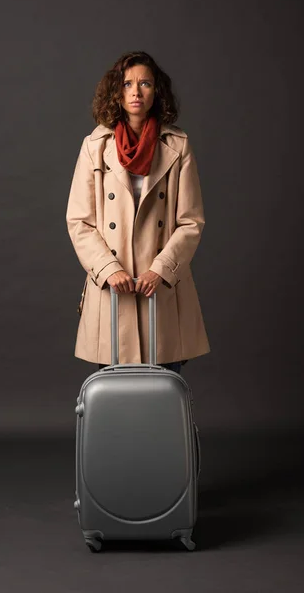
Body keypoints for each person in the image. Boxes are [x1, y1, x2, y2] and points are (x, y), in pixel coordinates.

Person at [66, 51, 210, 374]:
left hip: (158, 288)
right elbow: (79, 221)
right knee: (114, 401)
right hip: (113, 291)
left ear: (155, 91)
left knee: (162, 395)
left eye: (144, 83)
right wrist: (107, 268)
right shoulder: (95, 147)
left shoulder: (177, 146)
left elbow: (191, 221)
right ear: (117, 91)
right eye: (128, 83)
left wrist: (160, 269)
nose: (135, 91)